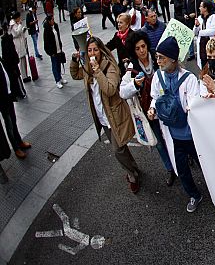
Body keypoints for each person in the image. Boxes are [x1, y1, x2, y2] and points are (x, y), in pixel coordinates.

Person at [71, 37, 141, 193]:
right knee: (121, 147)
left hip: (114, 115)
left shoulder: (110, 66)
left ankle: (132, 175)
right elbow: (75, 75)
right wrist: (74, 60)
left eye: (95, 49)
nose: (92, 53)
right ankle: (134, 167)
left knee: (118, 150)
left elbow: (109, 89)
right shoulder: (88, 67)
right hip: (102, 117)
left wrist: (97, 71)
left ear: (101, 50)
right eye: (89, 50)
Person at [147, 36, 204, 212]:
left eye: (161, 57)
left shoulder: (189, 79)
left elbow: (194, 104)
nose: (157, 61)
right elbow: (155, 98)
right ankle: (195, 195)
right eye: (157, 57)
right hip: (173, 135)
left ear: (172, 59)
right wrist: (152, 109)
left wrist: (188, 107)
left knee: (204, 164)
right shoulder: (157, 77)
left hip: (192, 135)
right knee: (183, 170)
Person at [119, 31, 176, 186]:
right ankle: (170, 169)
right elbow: (122, 92)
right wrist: (135, 85)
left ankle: (182, 160)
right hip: (149, 112)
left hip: (168, 106)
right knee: (159, 142)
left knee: (173, 135)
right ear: (133, 51)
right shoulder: (132, 68)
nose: (142, 50)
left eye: (143, 46)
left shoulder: (158, 57)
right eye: (137, 48)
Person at [43, 14, 67, 89]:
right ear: (49, 21)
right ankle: (57, 80)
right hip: (53, 52)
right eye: (52, 20)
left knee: (59, 64)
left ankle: (60, 77)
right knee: (55, 66)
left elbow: (58, 37)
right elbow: (46, 43)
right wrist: (50, 53)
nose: (54, 21)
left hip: (58, 48)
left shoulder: (55, 26)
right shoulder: (46, 30)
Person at [193, 0, 215, 69]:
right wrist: (196, 26)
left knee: (211, 63)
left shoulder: (214, 17)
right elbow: (195, 32)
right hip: (202, 45)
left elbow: (213, 31)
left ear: (205, 8)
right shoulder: (199, 18)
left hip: (210, 44)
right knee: (203, 63)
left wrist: (200, 32)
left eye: (201, 6)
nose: (199, 8)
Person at [8, 12, 30, 83]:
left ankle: (26, 75)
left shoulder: (16, 23)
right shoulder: (12, 24)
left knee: (24, 60)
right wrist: (20, 25)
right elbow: (16, 33)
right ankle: (24, 77)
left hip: (21, 44)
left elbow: (19, 32)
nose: (20, 19)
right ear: (16, 18)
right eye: (19, 17)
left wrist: (23, 29)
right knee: (21, 61)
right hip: (18, 45)